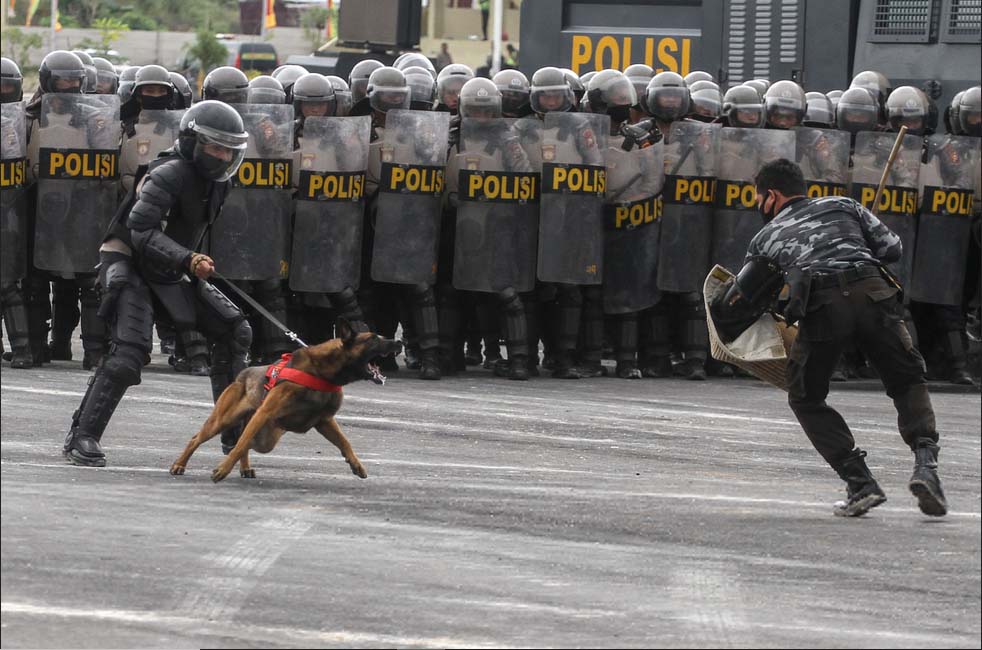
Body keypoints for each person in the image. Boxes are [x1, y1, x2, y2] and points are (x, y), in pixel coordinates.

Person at [722, 158, 947, 518]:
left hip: (824, 307)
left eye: (759, 197)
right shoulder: (844, 204)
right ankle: (926, 467)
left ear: (773, 196)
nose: (758, 205)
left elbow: (741, 301)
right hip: (875, 295)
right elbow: (892, 250)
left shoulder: (765, 237)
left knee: (806, 397)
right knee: (907, 381)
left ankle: (860, 483)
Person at [63, 100, 253, 467]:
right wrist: (188, 258)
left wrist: (188, 261)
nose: (223, 155)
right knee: (129, 353)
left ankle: (234, 434)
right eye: (215, 146)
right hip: (131, 264)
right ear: (192, 141)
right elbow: (140, 230)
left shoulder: (220, 183)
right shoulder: (167, 173)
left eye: (230, 148)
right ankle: (82, 435)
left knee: (234, 331)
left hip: (172, 269)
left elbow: (190, 231)